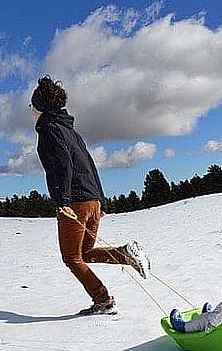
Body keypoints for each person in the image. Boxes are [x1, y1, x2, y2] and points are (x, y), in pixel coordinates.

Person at [32, 75, 151, 316]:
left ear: (41, 107)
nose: (31, 110)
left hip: (75, 202)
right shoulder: (71, 132)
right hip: (92, 202)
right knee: (84, 254)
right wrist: (101, 201)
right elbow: (90, 164)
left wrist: (62, 201)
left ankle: (103, 301)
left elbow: (63, 164)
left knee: (72, 258)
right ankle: (125, 253)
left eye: (33, 105)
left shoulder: (49, 129)